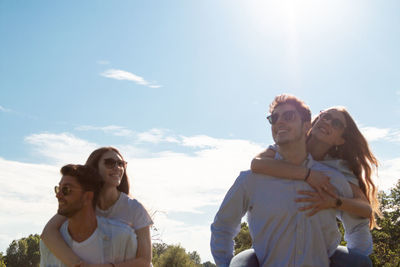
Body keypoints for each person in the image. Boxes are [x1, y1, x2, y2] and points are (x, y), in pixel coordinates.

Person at [210, 94, 367, 267]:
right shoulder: (252, 178)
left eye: (289, 116)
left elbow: (359, 222)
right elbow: (223, 226)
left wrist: (356, 258)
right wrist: (225, 264)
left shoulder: (334, 177)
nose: (279, 122)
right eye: (274, 118)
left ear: (306, 126)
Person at [250, 105, 379, 264]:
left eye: (336, 123)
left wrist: (333, 201)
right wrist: (308, 175)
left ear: (340, 139)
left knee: (360, 262)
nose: (327, 122)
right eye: (325, 116)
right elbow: (257, 164)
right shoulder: (292, 145)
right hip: (280, 245)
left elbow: (365, 209)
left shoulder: (337, 169)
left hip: (337, 246)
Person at [41, 147, 153, 267]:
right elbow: (48, 233)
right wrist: (77, 264)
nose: (117, 167)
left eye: (121, 164)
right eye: (110, 163)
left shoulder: (135, 209)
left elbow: (145, 261)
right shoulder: (84, 202)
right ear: (94, 168)